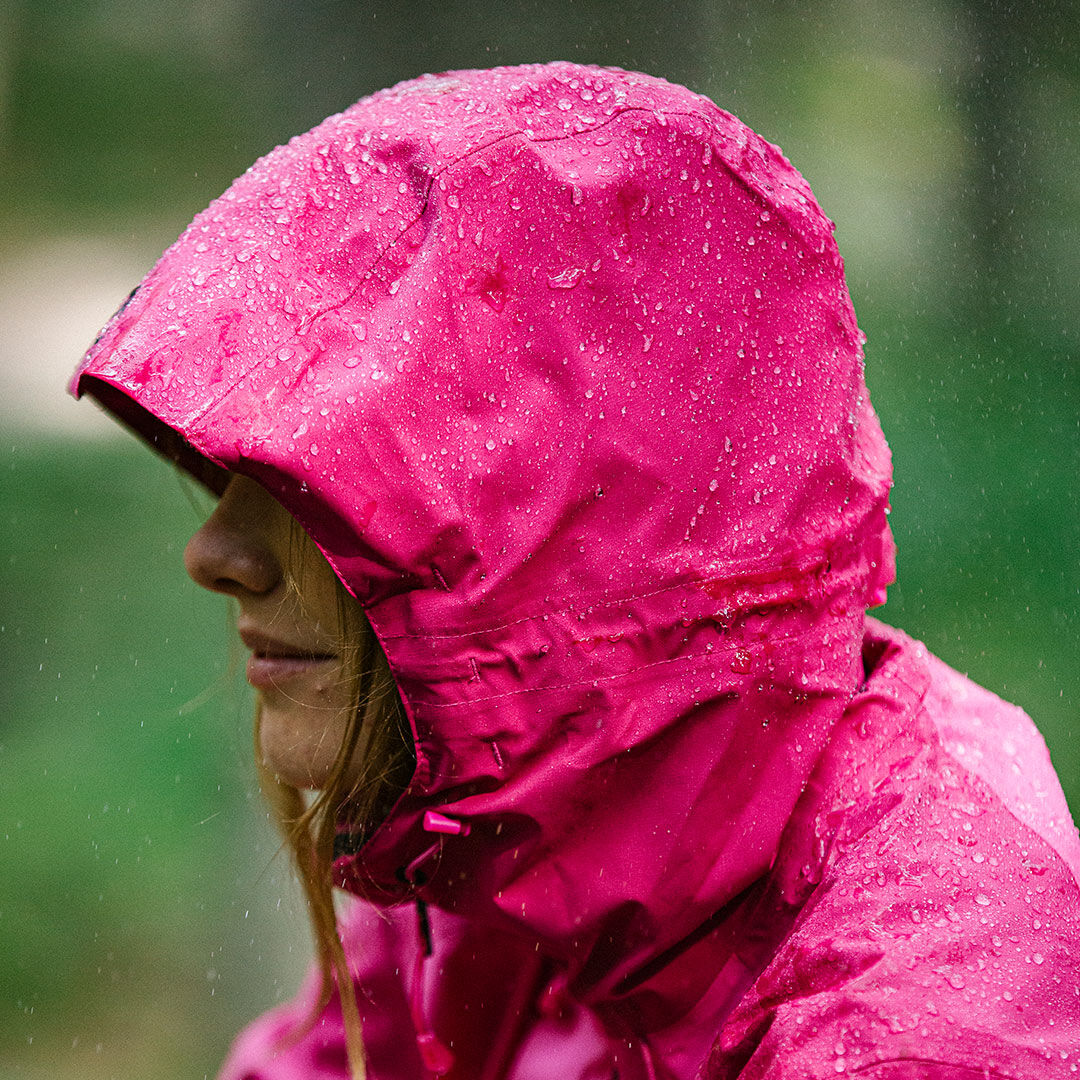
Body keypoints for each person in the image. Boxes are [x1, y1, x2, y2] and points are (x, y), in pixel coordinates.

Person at [70, 63, 1080, 1079]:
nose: (214, 553)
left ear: (572, 526)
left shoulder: (925, 1035)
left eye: (327, 475)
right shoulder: (521, 842)